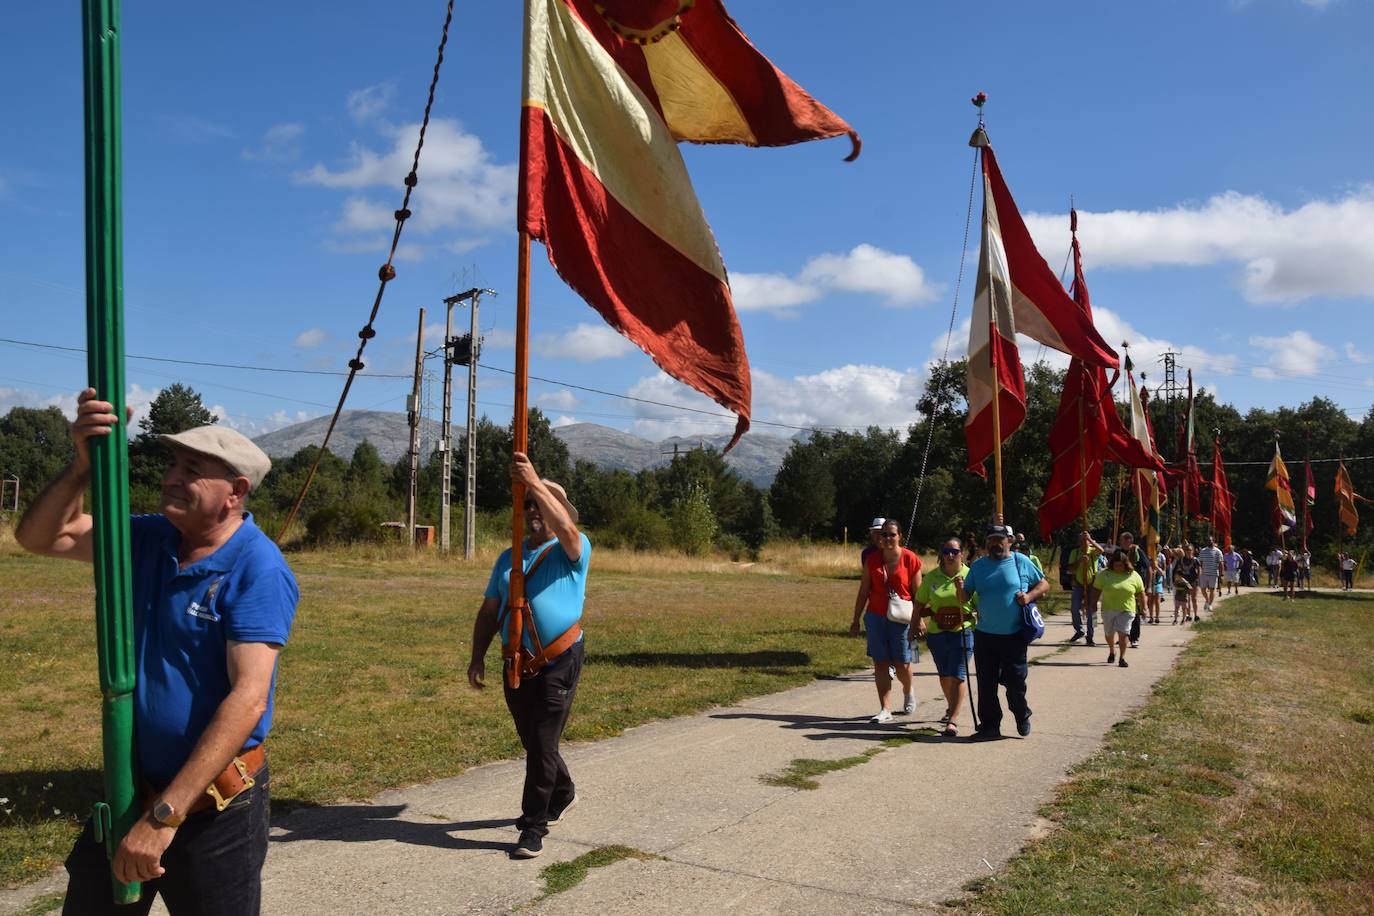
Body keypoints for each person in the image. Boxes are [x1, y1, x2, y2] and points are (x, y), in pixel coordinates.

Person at [16, 389, 297, 915]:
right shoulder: (149, 538)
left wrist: (163, 818)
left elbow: (248, 699)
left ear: (235, 491)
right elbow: (40, 537)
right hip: (130, 791)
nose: (170, 476)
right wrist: (82, 465)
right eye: (172, 464)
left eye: (191, 470)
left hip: (215, 809)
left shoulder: (258, 568)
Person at [467, 454, 589, 860]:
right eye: (528, 504)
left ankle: (533, 827)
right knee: (535, 742)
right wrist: (477, 655)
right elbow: (488, 611)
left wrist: (534, 481)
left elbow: (568, 529)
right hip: (516, 662)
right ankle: (563, 790)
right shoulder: (507, 557)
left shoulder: (573, 547)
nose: (534, 510)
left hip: (560, 660)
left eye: (542, 503)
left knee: (540, 741)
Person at [955, 522, 1049, 740]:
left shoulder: (1020, 561)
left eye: (999, 539)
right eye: (990, 540)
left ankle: (1021, 713)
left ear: (1009, 541)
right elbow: (964, 599)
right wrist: (960, 589)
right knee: (986, 684)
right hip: (985, 634)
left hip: (1014, 635)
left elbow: (1043, 584)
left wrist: (1029, 597)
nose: (994, 543)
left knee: (1015, 682)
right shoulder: (978, 566)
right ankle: (990, 726)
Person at [850, 518, 922, 723]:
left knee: (902, 663)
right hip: (876, 616)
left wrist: (919, 620)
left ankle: (908, 691)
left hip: (901, 618)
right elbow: (864, 590)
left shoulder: (910, 559)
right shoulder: (872, 559)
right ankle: (885, 708)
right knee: (880, 663)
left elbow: (919, 594)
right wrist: (856, 618)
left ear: (900, 536)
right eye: (884, 534)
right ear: (879, 537)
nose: (888, 538)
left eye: (892, 534)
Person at [914, 537, 975, 738]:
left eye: (954, 551)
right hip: (938, 633)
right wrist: (914, 624)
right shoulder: (932, 577)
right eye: (946, 551)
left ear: (962, 554)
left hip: (962, 631)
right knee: (944, 675)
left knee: (957, 674)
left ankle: (953, 720)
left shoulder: (971, 575)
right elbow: (920, 603)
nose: (950, 555)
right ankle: (951, 707)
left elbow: (980, 605)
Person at [1092, 548, 1146, 668]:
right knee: (1109, 633)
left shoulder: (1133, 575)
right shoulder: (1104, 574)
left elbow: (1141, 593)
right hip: (1108, 608)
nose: (1118, 568)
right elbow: (1096, 590)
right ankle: (1112, 650)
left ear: (1125, 565)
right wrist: (1093, 604)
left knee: (1123, 633)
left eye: (1120, 565)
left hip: (1127, 608)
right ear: (1112, 564)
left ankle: (1122, 658)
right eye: (1116, 565)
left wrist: (1144, 607)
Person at [1066, 530, 1104, 646]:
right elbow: (1070, 569)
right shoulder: (1075, 552)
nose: (1083, 543)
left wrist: (1090, 540)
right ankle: (1079, 630)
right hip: (1078, 584)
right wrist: (1079, 561)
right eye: (1081, 540)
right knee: (1074, 608)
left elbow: (1101, 551)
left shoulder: (1093, 551)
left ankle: (1090, 635)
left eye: (1085, 540)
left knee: (1091, 610)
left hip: (1092, 584)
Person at [1174, 545, 1200, 622]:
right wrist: (1178, 580)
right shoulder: (1181, 560)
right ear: (1184, 551)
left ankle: (1196, 615)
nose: (1188, 551)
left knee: (1194, 598)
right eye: (1187, 550)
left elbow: (1199, 570)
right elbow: (1177, 571)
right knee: (1186, 599)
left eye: (1190, 550)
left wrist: (1197, 578)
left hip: (1193, 581)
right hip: (1184, 582)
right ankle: (1188, 615)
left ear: (1192, 551)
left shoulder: (1195, 560)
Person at [1197, 537, 1224, 612]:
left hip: (1213, 574)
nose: (1209, 542)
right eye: (1208, 540)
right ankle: (1207, 600)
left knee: (1212, 589)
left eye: (1210, 540)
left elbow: (1221, 563)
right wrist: (1199, 571)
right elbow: (1199, 562)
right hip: (1204, 574)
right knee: (1203, 589)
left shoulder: (1218, 551)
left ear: (1213, 541)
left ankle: (1210, 605)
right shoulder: (1203, 551)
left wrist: (1222, 574)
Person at [1171, 549, 1190, 625]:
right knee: (1176, 598)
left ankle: (1185, 617)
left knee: (1184, 605)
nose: (1174, 554)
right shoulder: (1175, 560)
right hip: (1176, 582)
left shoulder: (1182, 561)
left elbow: (1183, 571)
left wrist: (1183, 580)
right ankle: (1176, 616)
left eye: (1176, 553)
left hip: (1182, 584)